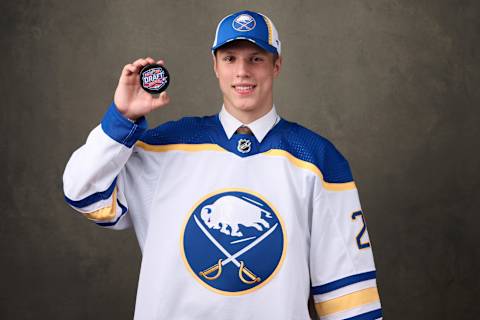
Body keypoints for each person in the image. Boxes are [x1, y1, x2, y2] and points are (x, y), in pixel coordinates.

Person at [63, 10, 382, 320]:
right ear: (215, 65)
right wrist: (122, 119)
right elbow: (83, 192)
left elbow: (349, 295)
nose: (242, 71)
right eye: (230, 59)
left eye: (256, 58)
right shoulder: (163, 147)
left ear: (277, 65)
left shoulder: (317, 159)